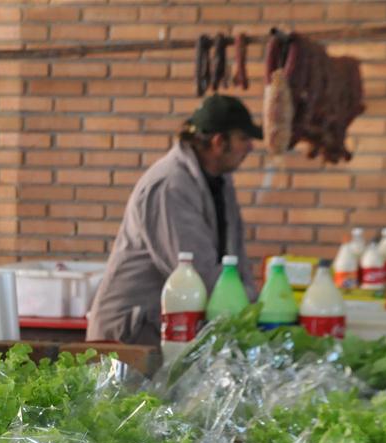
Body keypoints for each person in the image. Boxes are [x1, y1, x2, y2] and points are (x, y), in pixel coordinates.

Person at [87, 94, 261, 345]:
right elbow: (195, 270)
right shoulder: (171, 185)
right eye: (243, 139)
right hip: (130, 337)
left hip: (171, 330)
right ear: (219, 142)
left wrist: (253, 306)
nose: (250, 147)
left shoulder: (220, 183)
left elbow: (236, 258)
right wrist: (248, 311)